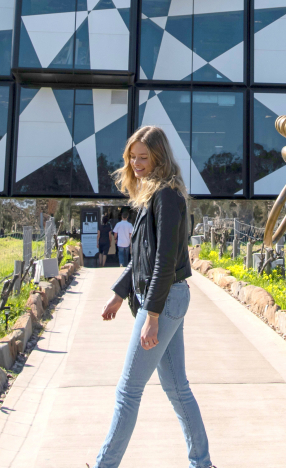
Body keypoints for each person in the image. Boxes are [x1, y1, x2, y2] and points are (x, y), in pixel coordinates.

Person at [94, 126, 212, 468]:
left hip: (164, 301)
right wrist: (119, 294)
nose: (136, 163)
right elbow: (142, 256)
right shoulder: (152, 195)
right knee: (177, 389)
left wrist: (152, 316)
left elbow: (164, 261)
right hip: (165, 299)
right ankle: (201, 463)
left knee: (127, 392)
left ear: (159, 157)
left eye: (143, 157)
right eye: (132, 157)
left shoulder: (166, 196)